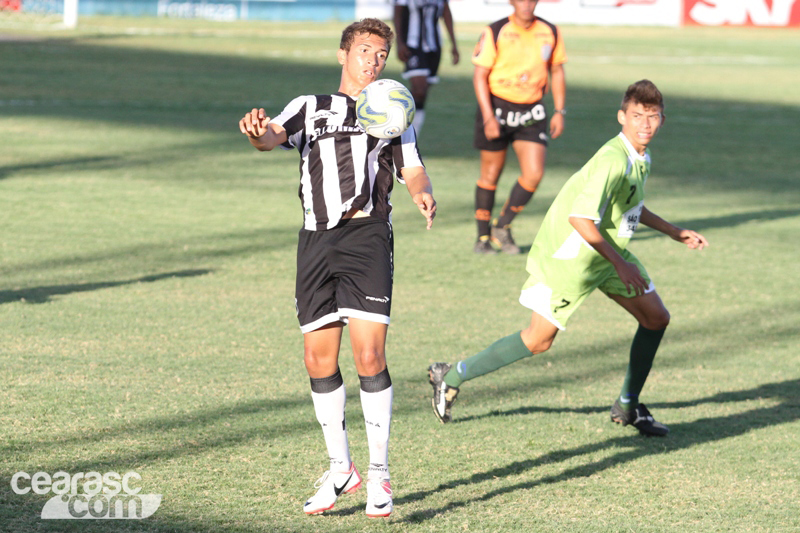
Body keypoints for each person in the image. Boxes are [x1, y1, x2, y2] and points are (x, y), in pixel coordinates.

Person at [429, 80, 709, 436]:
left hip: (607, 254)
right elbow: (579, 219)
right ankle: (451, 375)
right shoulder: (613, 160)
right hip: (573, 258)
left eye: (652, 117)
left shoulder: (640, 156)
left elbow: (631, 204)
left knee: (656, 318)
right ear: (621, 116)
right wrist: (621, 265)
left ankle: (627, 406)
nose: (644, 124)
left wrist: (673, 231)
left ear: (662, 120)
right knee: (538, 340)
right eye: (637, 116)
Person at [239, 18, 436, 518]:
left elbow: (411, 163)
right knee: (317, 359)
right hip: (315, 241)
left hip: (367, 236)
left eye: (381, 55)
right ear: (343, 54)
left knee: (369, 355)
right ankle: (340, 468)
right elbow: (274, 137)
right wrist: (258, 132)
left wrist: (421, 192)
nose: (373, 61)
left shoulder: (393, 109)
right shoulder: (311, 106)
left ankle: (379, 475)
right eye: (366, 51)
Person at [471, 0, 566, 254]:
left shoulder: (550, 31)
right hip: (497, 107)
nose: (526, 4)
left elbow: (557, 71)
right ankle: (482, 237)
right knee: (491, 174)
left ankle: (502, 225)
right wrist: (488, 116)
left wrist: (559, 110)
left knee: (534, 173)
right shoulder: (496, 30)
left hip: (532, 110)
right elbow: (480, 75)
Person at [393, 0, 460, 135]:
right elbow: (398, 13)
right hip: (413, 44)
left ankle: (413, 134)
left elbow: (446, 12)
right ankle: (394, 121)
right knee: (419, 89)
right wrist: (399, 42)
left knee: (422, 94)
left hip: (434, 46)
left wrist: (454, 44)